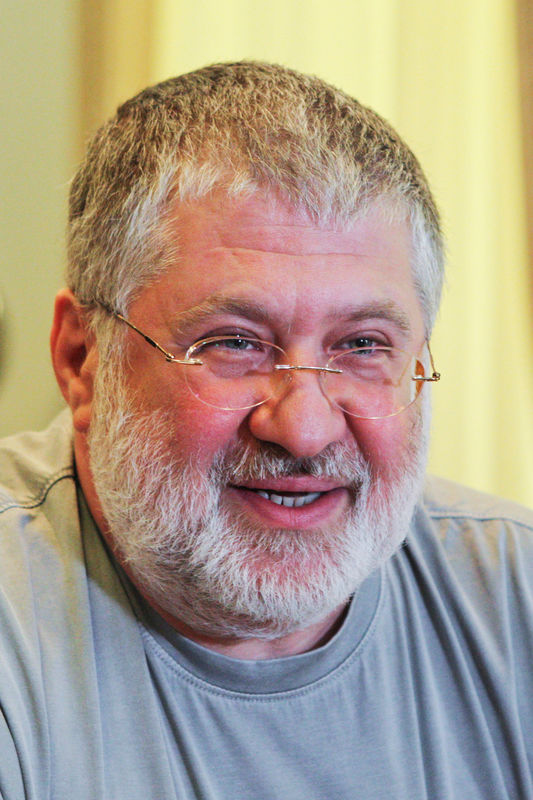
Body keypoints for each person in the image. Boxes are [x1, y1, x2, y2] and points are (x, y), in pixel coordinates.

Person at [1, 61, 532, 800]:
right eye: (233, 342)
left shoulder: (515, 596)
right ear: (82, 359)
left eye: (363, 346)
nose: (306, 430)